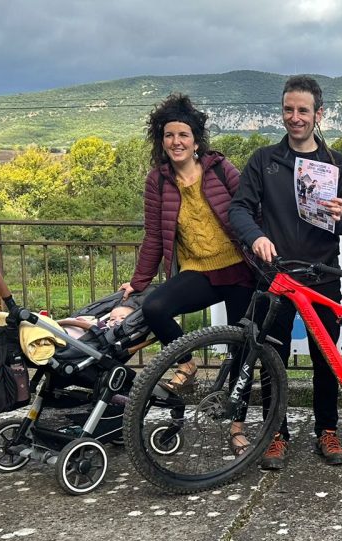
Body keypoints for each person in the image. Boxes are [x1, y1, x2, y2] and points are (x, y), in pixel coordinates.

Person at [229, 75, 342, 470]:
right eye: (289, 109)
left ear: (318, 114)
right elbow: (238, 209)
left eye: (303, 110)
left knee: (326, 358)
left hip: (322, 275)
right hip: (276, 277)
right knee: (274, 358)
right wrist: (256, 237)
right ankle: (276, 435)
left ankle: (327, 430)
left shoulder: (338, 164)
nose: (295, 117)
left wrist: (340, 217)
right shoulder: (264, 159)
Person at [118, 93, 254, 454]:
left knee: (243, 348)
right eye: (168, 135)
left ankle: (237, 426)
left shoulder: (221, 169)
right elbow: (153, 236)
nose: (176, 142)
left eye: (183, 134)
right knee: (156, 307)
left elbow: (248, 211)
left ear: (196, 139)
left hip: (240, 269)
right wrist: (138, 283)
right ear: (160, 141)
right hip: (199, 271)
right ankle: (187, 364)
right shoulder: (158, 181)